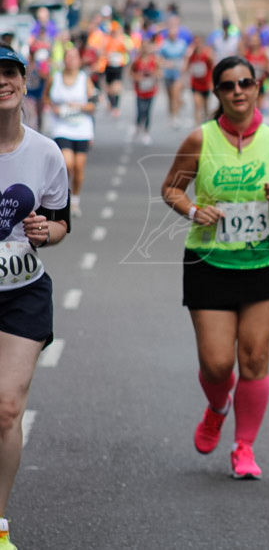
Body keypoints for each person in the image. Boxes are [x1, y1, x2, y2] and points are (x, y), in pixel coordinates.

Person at [160, 56, 269, 480]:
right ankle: (218, 406)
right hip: (209, 262)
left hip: (264, 261)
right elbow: (170, 188)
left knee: (255, 359)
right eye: (227, 86)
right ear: (218, 94)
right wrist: (192, 209)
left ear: (257, 87)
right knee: (218, 364)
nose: (237, 91)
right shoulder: (199, 140)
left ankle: (244, 447)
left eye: (245, 82)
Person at [0, 45, 70, 550]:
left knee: (6, 408)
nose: (2, 82)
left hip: (22, 291)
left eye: (10, 73)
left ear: (24, 84)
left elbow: (63, 221)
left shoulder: (46, 153)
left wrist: (48, 231)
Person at [44, 45, 97, 218]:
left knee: (79, 168)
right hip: (62, 127)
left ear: (79, 61)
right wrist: (53, 108)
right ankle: (62, 198)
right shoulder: (55, 78)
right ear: (64, 59)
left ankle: (75, 200)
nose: (71, 60)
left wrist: (79, 106)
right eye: (69, 57)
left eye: (75, 57)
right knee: (67, 164)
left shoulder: (84, 79)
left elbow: (92, 105)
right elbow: (46, 96)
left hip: (81, 128)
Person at [158, 16, 190, 128]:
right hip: (168, 73)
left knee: (175, 94)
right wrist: (165, 64)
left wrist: (184, 67)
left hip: (177, 73)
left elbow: (186, 57)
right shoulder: (164, 44)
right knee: (169, 96)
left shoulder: (181, 44)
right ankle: (171, 115)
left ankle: (176, 116)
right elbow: (159, 57)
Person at [130, 37, 159, 144]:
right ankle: (138, 125)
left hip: (151, 90)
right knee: (140, 110)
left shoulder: (153, 61)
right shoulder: (137, 61)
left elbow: (158, 73)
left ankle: (146, 132)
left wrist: (153, 75)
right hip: (140, 90)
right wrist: (137, 77)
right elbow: (131, 73)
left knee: (147, 111)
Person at [186, 33, 215, 125]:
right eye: (195, 42)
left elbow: (212, 65)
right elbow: (186, 67)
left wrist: (211, 82)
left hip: (205, 84)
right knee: (197, 105)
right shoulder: (191, 55)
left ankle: (206, 124)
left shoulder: (207, 54)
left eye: (199, 42)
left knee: (206, 107)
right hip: (195, 84)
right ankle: (198, 127)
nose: (197, 44)